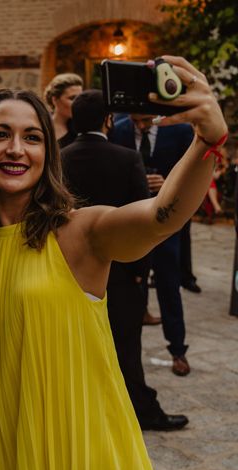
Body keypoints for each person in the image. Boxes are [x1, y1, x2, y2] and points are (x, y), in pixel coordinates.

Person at [0, 56, 226, 470]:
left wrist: (207, 138)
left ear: (49, 153)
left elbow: (161, 216)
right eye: (0, 134)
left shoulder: (81, 232)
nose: (15, 149)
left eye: (32, 137)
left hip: (73, 451)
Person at [61, 89, 188, 431]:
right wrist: (139, 274)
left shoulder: (60, 157)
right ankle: (145, 412)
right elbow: (140, 225)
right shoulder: (126, 158)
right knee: (126, 345)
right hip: (121, 270)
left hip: (71, 270)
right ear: (107, 120)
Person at [110, 112, 195, 376]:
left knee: (170, 286)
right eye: (136, 122)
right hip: (132, 222)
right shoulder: (118, 129)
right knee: (133, 288)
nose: (140, 126)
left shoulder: (180, 130)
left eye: (146, 121)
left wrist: (167, 182)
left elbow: (193, 171)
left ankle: (178, 350)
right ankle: (128, 357)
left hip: (166, 222)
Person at [43, 72, 83, 148]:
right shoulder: (41, 124)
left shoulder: (81, 128)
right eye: (72, 98)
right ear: (55, 100)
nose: (78, 102)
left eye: (80, 98)